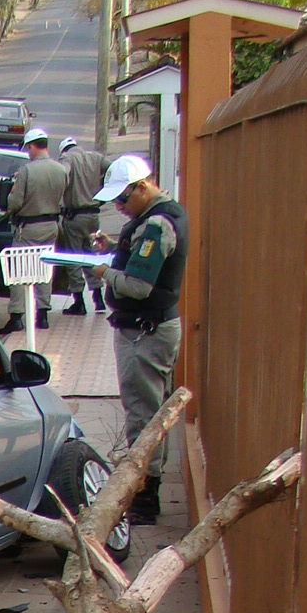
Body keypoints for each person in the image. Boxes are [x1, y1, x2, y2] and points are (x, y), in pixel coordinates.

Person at [92, 153, 187, 526]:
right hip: (147, 329)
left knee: (144, 416)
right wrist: (115, 247)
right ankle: (144, 485)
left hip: (145, 333)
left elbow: (138, 284)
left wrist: (104, 272)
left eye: (123, 198)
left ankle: (144, 495)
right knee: (147, 409)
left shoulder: (158, 224)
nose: (119, 206)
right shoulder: (162, 217)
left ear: (143, 187)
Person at [0, 127, 67, 335]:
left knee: (19, 270)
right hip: (51, 226)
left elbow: (15, 203)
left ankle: (17, 315)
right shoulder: (61, 170)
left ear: (31, 146)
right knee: (44, 269)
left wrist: (10, 195)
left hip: (28, 227)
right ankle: (43, 313)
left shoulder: (27, 171)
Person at [54, 135, 108, 314]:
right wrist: (104, 192)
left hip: (75, 217)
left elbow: (62, 172)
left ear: (63, 150)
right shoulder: (95, 157)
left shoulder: (67, 158)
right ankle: (98, 299)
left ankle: (79, 302)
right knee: (90, 255)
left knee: (73, 258)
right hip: (93, 215)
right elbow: (113, 169)